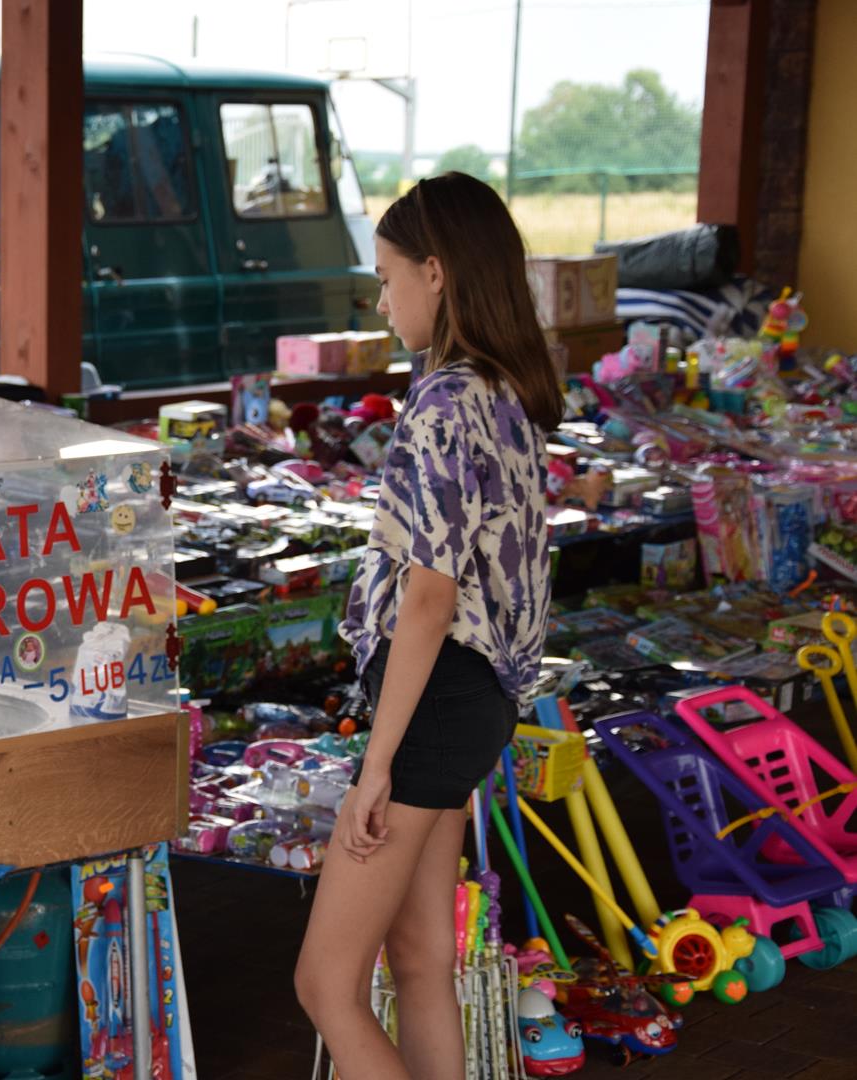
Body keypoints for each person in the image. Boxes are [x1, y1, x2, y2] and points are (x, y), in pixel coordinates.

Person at [293, 172, 563, 1079]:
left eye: (385, 275)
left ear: (436, 273)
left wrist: (377, 763)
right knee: (420, 965)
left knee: (327, 986)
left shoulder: (447, 403)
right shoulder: (502, 393)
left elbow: (429, 597)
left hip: (432, 701)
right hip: (470, 701)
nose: (381, 298)